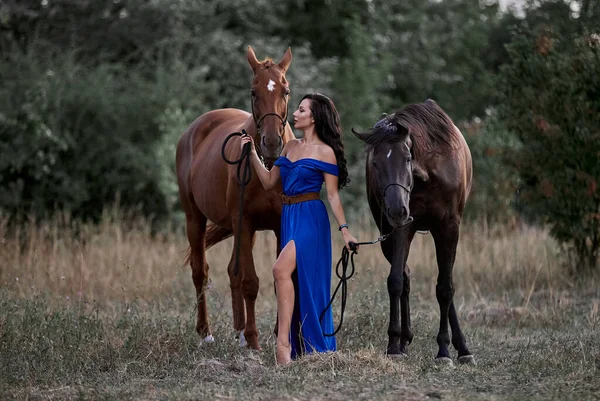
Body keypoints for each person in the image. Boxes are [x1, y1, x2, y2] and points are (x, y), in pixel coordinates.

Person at [241, 93, 359, 365]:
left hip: (311, 218)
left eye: (302, 109)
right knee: (290, 278)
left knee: (280, 269)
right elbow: (270, 182)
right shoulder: (289, 146)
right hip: (289, 214)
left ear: (314, 117)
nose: (295, 113)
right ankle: (293, 345)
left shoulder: (326, 152)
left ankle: (283, 347)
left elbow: (332, 196)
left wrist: (345, 231)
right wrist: (252, 154)